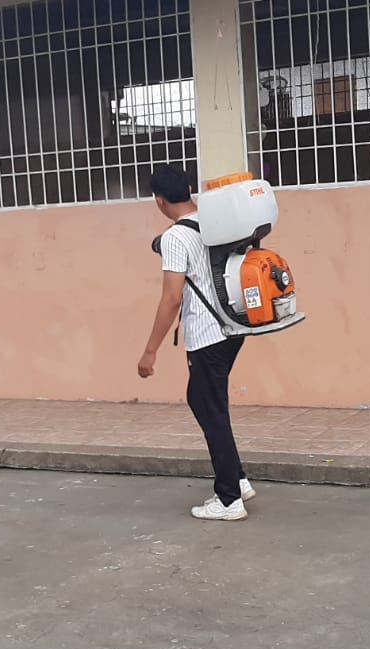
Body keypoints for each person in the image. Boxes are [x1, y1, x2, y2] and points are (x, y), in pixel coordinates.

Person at [137, 165, 257, 521]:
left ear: (159, 201)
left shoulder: (176, 237)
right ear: (188, 189)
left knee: (210, 409)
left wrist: (150, 351)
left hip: (207, 334)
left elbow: (171, 298)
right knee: (206, 402)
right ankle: (238, 480)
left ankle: (229, 499)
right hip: (232, 328)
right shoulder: (213, 222)